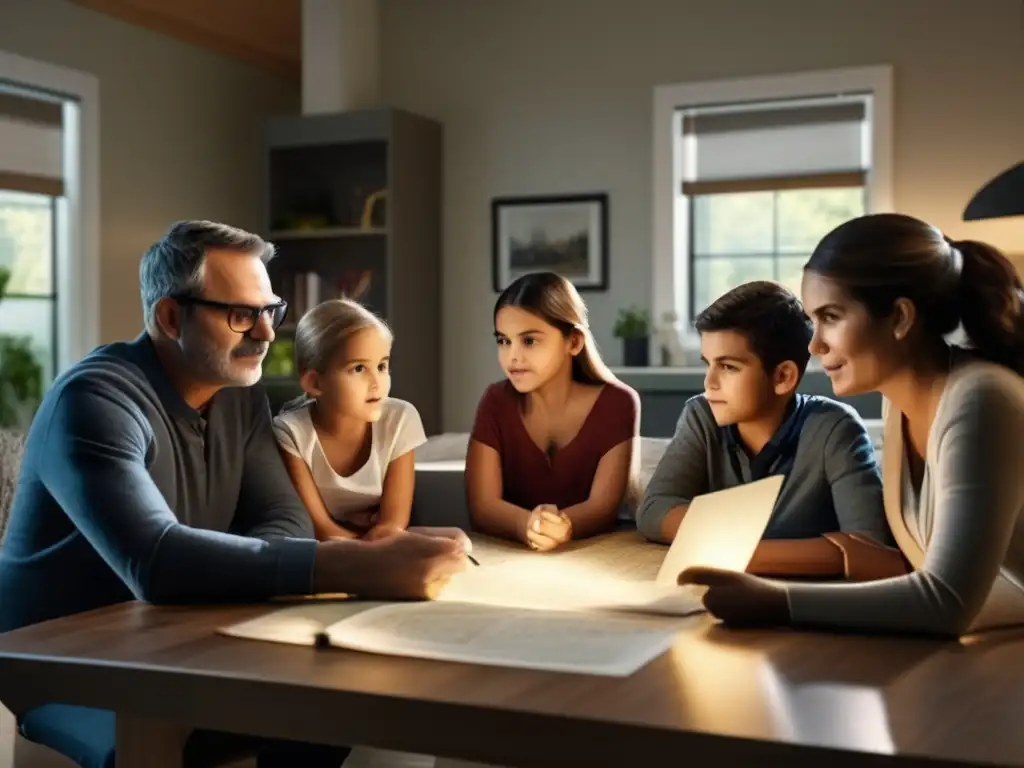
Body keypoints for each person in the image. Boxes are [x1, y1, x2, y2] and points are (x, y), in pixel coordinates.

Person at [0, 221, 468, 768]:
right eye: (242, 315)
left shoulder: (241, 398)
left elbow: (283, 519)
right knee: (177, 726)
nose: (268, 335)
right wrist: (362, 565)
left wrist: (235, 566)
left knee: (331, 706)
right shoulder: (94, 401)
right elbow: (157, 560)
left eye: (271, 312)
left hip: (176, 636)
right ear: (170, 318)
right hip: (61, 661)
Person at [679, 213, 1024, 638]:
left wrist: (775, 599)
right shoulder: (899, 404)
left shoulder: (981, 398)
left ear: (899, 318)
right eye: (813, 320)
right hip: (982, 645)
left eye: (830, 317)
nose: (815, 344)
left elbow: (945, 601)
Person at [636, 281, 896, 580]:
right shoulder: (702, 415)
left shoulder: (835, 428)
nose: (709, 383)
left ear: (783, 376)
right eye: (708, 364)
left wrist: (733, 554)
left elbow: (869, 546)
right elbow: (654, 511)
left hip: (802, 601)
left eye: (729, 367)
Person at [465, 272, 640, 552]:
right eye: (503, 341)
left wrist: (564, 525)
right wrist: (529, 525)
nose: (512, 357)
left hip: (593, 554)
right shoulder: (495, 401)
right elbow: (483, 507)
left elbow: (603, 507)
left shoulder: (619, 403)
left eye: (529, 341)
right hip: (513, 554)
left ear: (574, 342)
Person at [273, 299, 427, 541]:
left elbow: (392, 525)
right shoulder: (291, 432)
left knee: (457, 540)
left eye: (382, 366)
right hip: (327, 545)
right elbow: (321, 529)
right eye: (358, 369)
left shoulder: (400, 419)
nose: (377, 382)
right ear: (315, 383)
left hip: (386, 539)